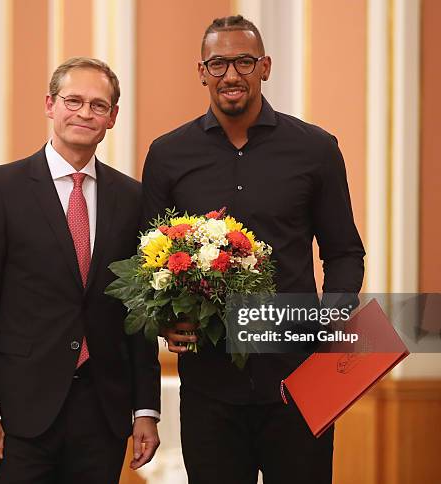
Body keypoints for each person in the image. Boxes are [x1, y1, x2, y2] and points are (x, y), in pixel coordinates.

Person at [141, 16, 365, 484]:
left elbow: (344, 253)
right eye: (218, 63)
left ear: (265, 66)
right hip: (209, 385)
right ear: (201, 71)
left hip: (301, 382)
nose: (231, 75)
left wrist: (331, 327)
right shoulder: (168, 154)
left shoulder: (316, 149)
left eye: (244, 61)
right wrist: (166, 320)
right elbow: (148, 262)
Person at [0, 57, 161, 484]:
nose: (85, 113)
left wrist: (146, 409)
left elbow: (138, 313)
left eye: (98, 105)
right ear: (50, 104)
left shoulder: (132, 198)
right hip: (15, 418)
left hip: (101, 416)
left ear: (112, 117)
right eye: (73, 100)